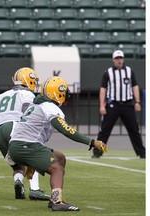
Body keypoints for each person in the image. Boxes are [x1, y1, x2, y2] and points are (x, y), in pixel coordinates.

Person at [8, 76, 107, 211]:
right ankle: (56, 201)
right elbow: (66, 130)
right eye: (63, 92)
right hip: (27, 145)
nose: (65, 95)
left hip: (18, 145)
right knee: (57, 169)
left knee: (60, 158)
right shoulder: (48, 106)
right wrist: (91, 142)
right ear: (56, 92)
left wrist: (31, 162)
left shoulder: (37, 105)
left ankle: (55, 196)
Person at [0, 67, 50, 201]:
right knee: (34, 154)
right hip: (14, 126)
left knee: (17, 164)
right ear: (29, 80)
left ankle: (18, 181)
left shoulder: (0, 96)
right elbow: (27, 113)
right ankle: (35, 190)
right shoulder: (27, 95)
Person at [92, 50, 145, 159]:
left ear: (123, 59)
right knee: (105, 130)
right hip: (112, 105)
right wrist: (102, 105)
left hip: (127, 104)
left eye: (121, 58)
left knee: (134, 129)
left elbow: (134, 86)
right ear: (113, 60)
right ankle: (97, 152)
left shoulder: (130, 71)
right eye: (117, 58)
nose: (119, 60)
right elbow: (103, 89)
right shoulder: (108, 72)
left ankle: (142, 152)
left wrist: (137, 101)